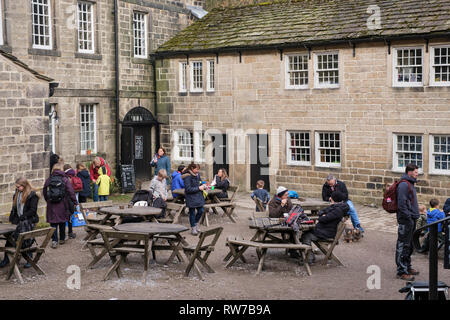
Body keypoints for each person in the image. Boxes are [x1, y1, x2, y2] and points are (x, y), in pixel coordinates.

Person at [0, 178, 40, 268]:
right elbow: (14, 208)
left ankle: (29, 259)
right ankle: (6, 259)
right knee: (10, 239)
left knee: (26, 239)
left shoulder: (33, 195)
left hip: (29, 221)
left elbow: (33, 210)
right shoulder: (16, 194)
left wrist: (22, 218)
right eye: (16, 187)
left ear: (24, 186)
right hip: (18, 221)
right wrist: (12, 218)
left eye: (19, 187)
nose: (17, 188)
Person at [301, 191, 350, 263]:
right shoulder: (336, 207)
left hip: (327, 233)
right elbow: (321, 212)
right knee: (306, 232)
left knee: (306, 235)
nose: (330, 198)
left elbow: (323, 219)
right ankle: (307, 256)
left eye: (331, 197)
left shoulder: (337, 210)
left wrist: (322, 216)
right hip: (325, 230)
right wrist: (322, 215)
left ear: (333, 199)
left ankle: (309, 258)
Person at [395, 163, 420, 281]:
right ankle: (401, 271)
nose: (417, 174)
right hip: (406, 220)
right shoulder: (404, 185)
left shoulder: (410, 183)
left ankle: (407, 266)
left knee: (409, 245)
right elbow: (401, 204)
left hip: (411, 218)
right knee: (403, 244)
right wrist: (409, 217)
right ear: (409, 172)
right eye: (415, 172)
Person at [43, 163, 78, 249]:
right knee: (62, 221)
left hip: (51, 204)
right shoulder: (64, 179)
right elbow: (71, 191)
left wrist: (47, 199)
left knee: (53, 223)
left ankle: (54, 240)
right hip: (62, 203)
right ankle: (62, 238)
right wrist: (74, 201)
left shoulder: (49, 179)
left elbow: (44, 190)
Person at [182, 163, 206, 236]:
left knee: (201, 210)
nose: (198, 171)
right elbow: (188, 189)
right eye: (196, 169)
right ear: (192, 168)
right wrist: (198, 188)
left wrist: (203, 184)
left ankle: (195, 223)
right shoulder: (187, 176)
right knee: (192, 212)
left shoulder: (197, 175)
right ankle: (193, 228)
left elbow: (199, 182)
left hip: (198, 196)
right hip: (191, 197)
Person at [63, 164, 78, 239]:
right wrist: (75, 202)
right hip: (68, 200)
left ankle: (63, 235)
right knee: (69, 217)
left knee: (62, 218)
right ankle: (70, 232)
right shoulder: (69, 178)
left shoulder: (62, 177)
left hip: (62, 200)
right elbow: (71, 192)